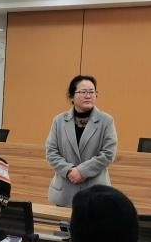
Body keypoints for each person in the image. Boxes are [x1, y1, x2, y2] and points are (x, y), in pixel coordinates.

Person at [44, 74, 118, 207]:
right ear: (72, 96)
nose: (88, 95)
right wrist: (69, 170)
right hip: (65, 190)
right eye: (83, 92)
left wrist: (82, 171)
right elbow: (51, 152)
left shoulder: (106, 121)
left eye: (92, 92)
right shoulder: (59, 121)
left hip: (95, 190)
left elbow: (108, 154)